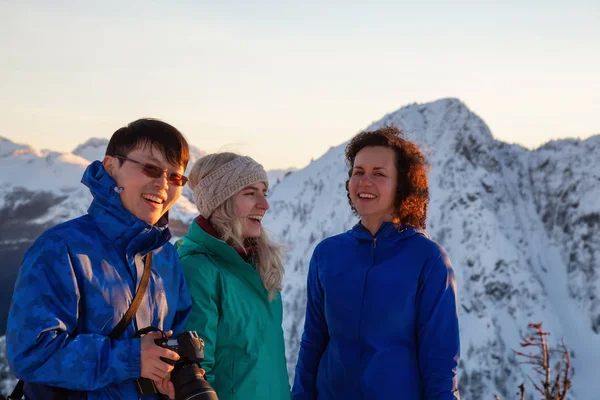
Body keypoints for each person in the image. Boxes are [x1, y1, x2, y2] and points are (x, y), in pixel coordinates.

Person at [6, 118, 193, 400]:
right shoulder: (61, 248)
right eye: (151, 168)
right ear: (110, 167)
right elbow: (31, 353)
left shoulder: (165, 257)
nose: (163, 184)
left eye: (176, 177)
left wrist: (172, 373)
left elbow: (174, 335)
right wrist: (131, 358)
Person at [292, 126, 460, 399]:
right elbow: (313, 341)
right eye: (358, 172)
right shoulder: (327, 253)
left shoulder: (427, 259)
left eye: (378, 174)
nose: (364, 182)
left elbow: (439, 360)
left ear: (402, 186)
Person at [177, 152, 291, 400]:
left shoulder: (258, 263)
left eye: (264, 192)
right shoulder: (198, 269)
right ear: (221, 201)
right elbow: (197, 374)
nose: (265, 204)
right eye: (251, 193)